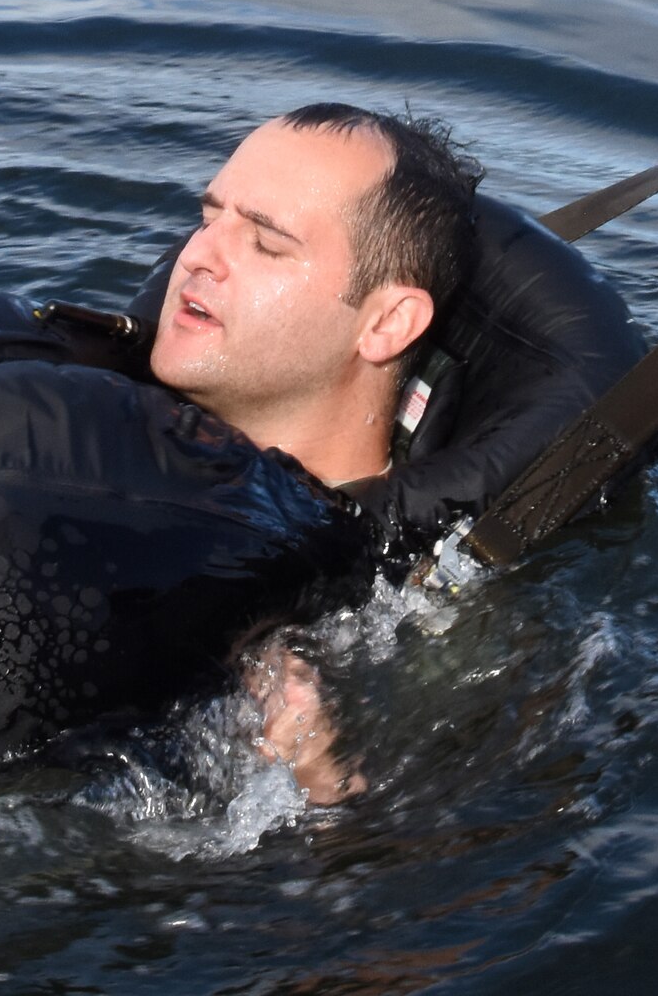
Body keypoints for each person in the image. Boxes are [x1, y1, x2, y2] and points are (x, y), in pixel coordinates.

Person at [149, 103, 482, 801]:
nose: (196, 256)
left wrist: (330, 797)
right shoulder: (94, 443)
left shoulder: (438, 609)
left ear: (387, 323)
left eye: (266, 242)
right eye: (209, 219)